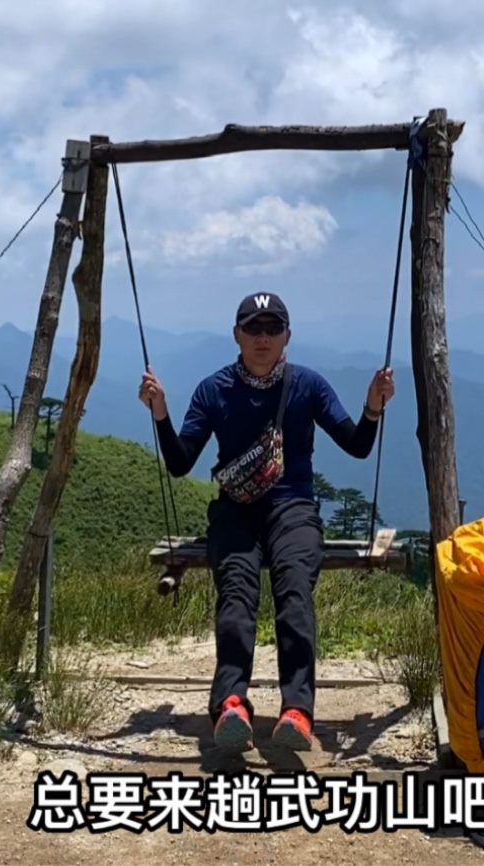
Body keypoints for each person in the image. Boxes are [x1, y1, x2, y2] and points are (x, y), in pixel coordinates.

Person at [138, 291, 395, 752]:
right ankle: (231, 703)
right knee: (237, 590)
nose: (262, 337)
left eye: (272, 328)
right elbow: (179, 463)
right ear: (236, 335)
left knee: (293, 586)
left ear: (287, 337)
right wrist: (161, 414)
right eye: (253, 328)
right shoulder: (213, 391)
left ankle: (297, 711)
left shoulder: (308, 386)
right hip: (235, 509)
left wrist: (372, 408)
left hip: (293, 506)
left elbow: (356, 444)